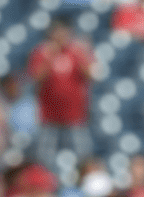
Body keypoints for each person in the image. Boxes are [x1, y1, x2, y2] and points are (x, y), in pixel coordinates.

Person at [27, 19, 94, 165]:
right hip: (49, 114)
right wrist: (50, 56)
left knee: (82, 155)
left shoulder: (77, 52)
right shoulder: (42, 52)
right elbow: (36, 77)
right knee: (44, 156)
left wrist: (83, 54)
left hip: (75, 114)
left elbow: (91, 75)